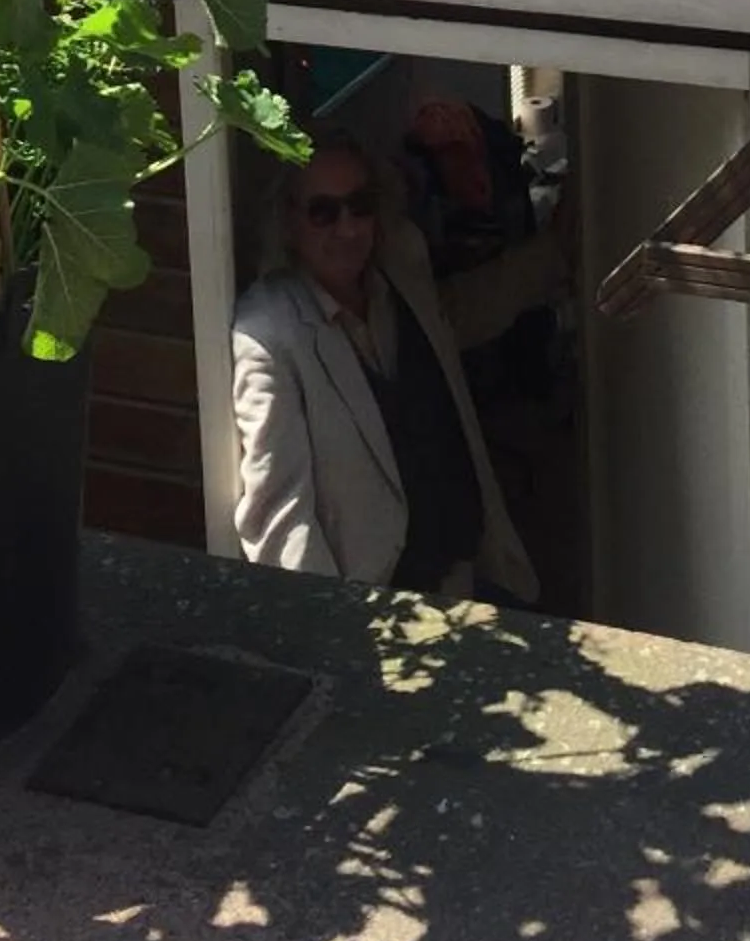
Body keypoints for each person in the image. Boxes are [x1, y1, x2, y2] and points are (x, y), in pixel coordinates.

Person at [231, 129, 562, 602]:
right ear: (289, 220)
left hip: (467, 577)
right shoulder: (269, 334)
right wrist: (333, 643)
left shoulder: (398, 278)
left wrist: (558, 249)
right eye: (324, 212)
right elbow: (278, 517)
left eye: (360, 205)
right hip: (381, 617)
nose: (347, 228)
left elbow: (462, 313)